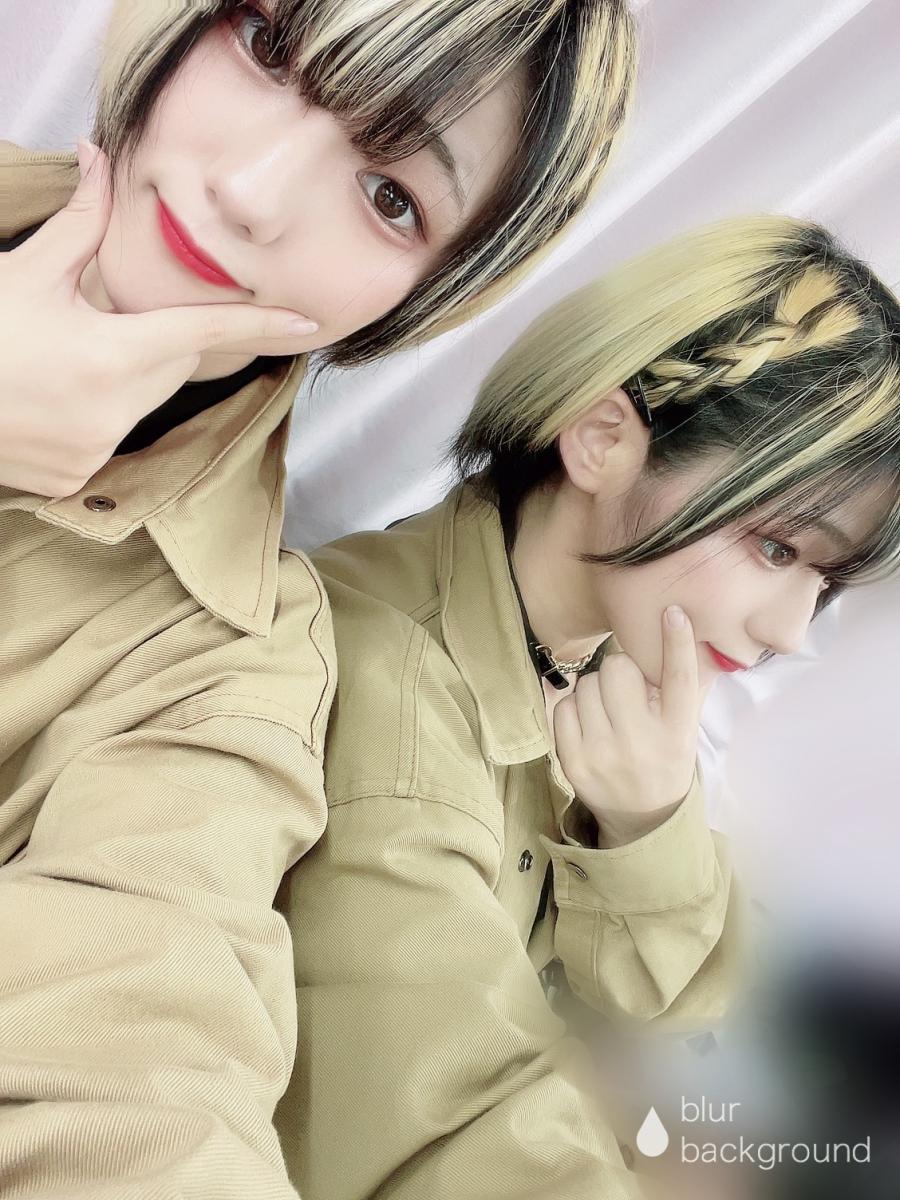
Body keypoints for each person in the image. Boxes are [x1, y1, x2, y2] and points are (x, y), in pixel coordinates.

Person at [0, 2, 638, 1197]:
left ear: (421, 296)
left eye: (390, 195)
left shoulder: (228, 661)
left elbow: (139, 1065)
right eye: (265, 46)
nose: (251, 191)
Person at [274, 214, 900, 1200]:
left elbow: (691, 1017)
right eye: (778, 547)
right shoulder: (392, 703)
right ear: (603, 440)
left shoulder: (605, 660)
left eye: (823, 582)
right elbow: (453, 1131)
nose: (790, 631)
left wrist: (648, 822)